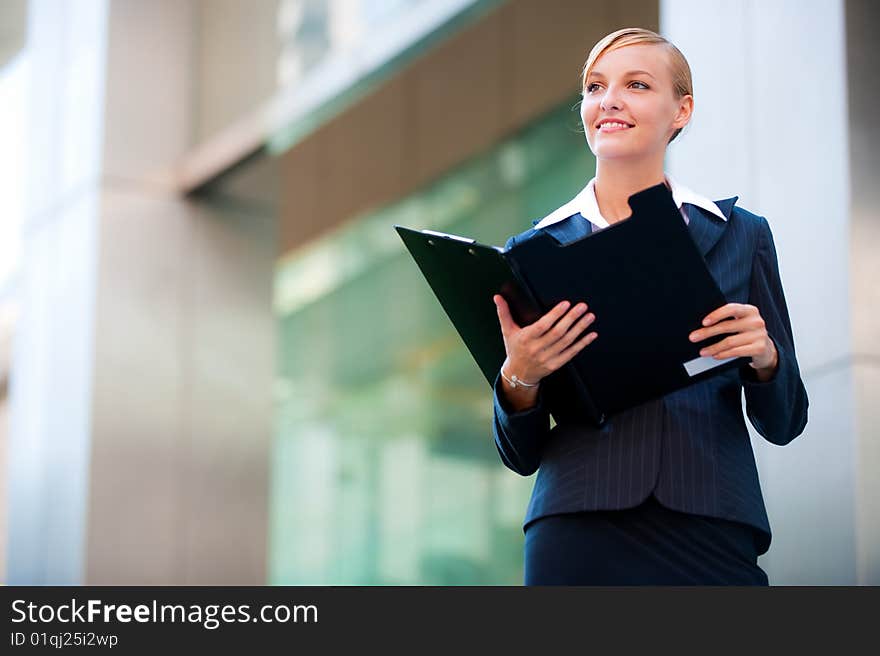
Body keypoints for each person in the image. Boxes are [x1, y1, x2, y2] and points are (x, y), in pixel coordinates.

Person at [490, 27, 809, 585]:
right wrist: (519, 377)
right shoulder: (533, 251)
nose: (608, 99)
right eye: (595, 87)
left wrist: (766, 359)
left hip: (710, 521)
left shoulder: (740, 235)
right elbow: (519, 452)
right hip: (578, 526)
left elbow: (785, 421)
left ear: (680, 110)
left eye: (636, 84)